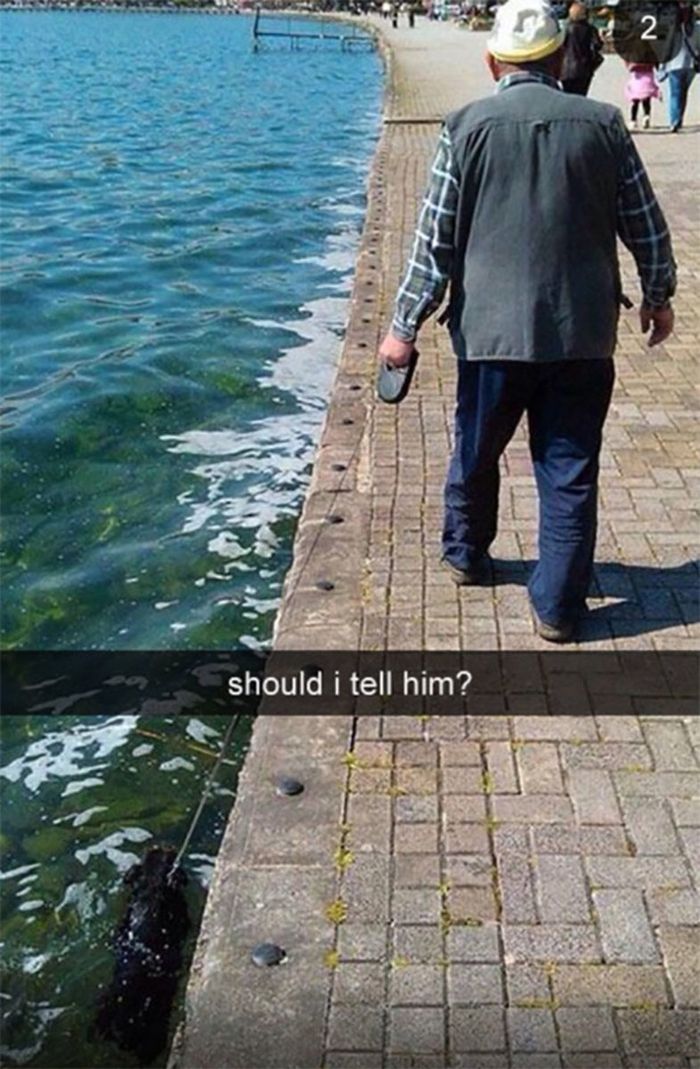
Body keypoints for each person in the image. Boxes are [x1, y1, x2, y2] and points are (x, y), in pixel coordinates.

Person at [377, 0, 676, 642]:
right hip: (582, 332)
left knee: (477, 451)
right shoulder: (603, 124)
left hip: (489, 333)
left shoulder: (464, 126)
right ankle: (559, 609)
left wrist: (403, 328)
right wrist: (660, 294)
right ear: (559, 57)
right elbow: (645, 224)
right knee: (569, 469)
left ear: (493, 62)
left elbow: (435, 244)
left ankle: (465, 554)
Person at [657, 2, 699, 132]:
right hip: (691, 64)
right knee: (683, 93)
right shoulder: (697, 28)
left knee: (675, 93)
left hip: (674, 64)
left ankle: (674, 121)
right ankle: (678, 119)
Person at [560, 2, 603, 96]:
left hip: (565, 69)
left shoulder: (565, 28)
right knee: (582, 95)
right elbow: (598, 45)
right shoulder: (590, 29)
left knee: (568, 95)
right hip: (584, 68)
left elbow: (559, 45)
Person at [625, 61, 660, 131]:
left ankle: (633, 120)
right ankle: (646, 116)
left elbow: (629, 67)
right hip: (648, 75)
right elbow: (657, 65)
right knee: (646, 99)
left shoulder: (634, 54)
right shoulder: (650, 52)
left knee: (635, 100)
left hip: (637, 77)